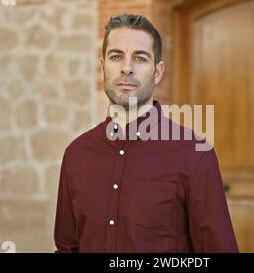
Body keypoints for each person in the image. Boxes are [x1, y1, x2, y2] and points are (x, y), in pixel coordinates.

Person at [54, 13, 238, 253]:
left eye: (140, 58)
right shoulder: (76, 154)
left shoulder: (194, 154)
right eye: (116, 56)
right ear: (102, 67)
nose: (126, 68)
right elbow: (67, 248)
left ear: (157, 72)